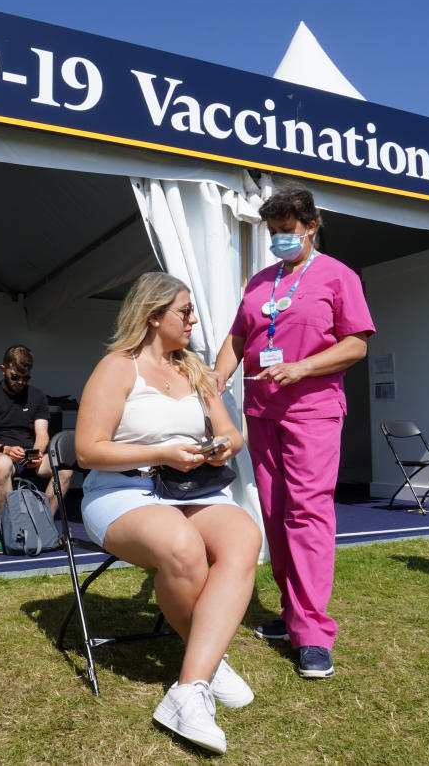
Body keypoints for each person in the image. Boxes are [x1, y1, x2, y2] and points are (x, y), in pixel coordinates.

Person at [76, 272, 261, 754]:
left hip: (189, 487)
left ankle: (190, 684)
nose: (193, 319)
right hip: (122, 491)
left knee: (244, 537)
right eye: (185, 311)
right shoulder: (118, 367)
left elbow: (233, 435)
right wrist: (160, 454)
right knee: (182, 545)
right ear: (153, 316)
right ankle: (206, 668)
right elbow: (86, 451)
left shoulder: (195, 369)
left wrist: (223, 447)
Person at [212, 187, 375, 679]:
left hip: (312, 412)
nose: (280, 239)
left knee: (307, 514)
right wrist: (215, 378)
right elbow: (239, 337)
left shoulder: (338, 276)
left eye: (288, 230)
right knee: (276, 513)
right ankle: (292, 612)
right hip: (263, 414)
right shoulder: (261, 282)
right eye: (273, 232)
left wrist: (302, 369)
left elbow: (355, 346)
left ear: (312, 224)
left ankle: (313, 633)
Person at [0, 346, 72, 552]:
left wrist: (35, 453)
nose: (20, 383)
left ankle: (44, 526)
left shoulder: (37, 396)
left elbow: (42, 434)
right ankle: (5, 533)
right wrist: (4, 449)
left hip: (27, 456)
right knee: (1, 463)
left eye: (25, 378)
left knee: (64, 468)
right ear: (3, 369)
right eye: (15, 377)